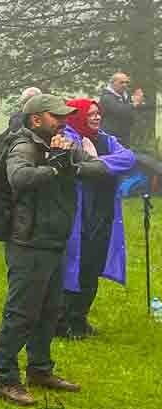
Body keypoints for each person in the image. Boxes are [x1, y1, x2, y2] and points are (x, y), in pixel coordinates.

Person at [0, 94, 108, 407]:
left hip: (54, 240)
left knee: (49, 309)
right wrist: (53, 169)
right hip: (28, 242)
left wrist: (70, 166)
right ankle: (5, 378)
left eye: (64, 115)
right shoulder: (23, 146)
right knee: (21, 313)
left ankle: (40, 370)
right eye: (56, 116)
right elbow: (19, 178)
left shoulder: (62, 145)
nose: (63, 121)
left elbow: (98, 168)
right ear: (36, 119)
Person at [56, 99, 136, 340]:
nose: (96, 117)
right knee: (73, 267)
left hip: (102, 213)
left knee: (93, 265)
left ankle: (80, 318)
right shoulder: (66, 137)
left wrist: (97, 162)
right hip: (77, 214)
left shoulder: (104, 138)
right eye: (90, 114)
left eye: (98, 113)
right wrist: (100, 164)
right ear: (77, 116)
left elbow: (128, 158)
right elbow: (75, 165)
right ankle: (62, 322)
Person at [100, 73, 142, 147]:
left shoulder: (124, 97)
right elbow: (119, 111)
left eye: (126, 82)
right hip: (111, 138)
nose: (124, 85)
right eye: (121, 82)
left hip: (124, 138)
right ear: (113, 83)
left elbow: (131, 114)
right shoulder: (107, 97)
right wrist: (134, 104)